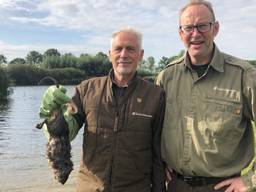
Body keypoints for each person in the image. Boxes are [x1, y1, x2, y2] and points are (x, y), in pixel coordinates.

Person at [39, 27, 166, 192]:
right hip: (90, 187)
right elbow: (68, 132)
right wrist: (52, 116)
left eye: (130, 49)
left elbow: (158, 153)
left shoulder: (155, 95)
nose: (123, 54)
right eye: (118, 49)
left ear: (140, 55)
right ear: (110, 54)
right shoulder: (86, 89)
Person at [156, 0, 256, 191]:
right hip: (175, 186)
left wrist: (250, 180)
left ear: (215, 28)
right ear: (180, 33)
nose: (195, 34)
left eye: (202, 26)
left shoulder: (244, 76)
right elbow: (153, 129)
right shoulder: (166, 77)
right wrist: (158, 161)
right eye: (188, 27)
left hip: (223, 187)